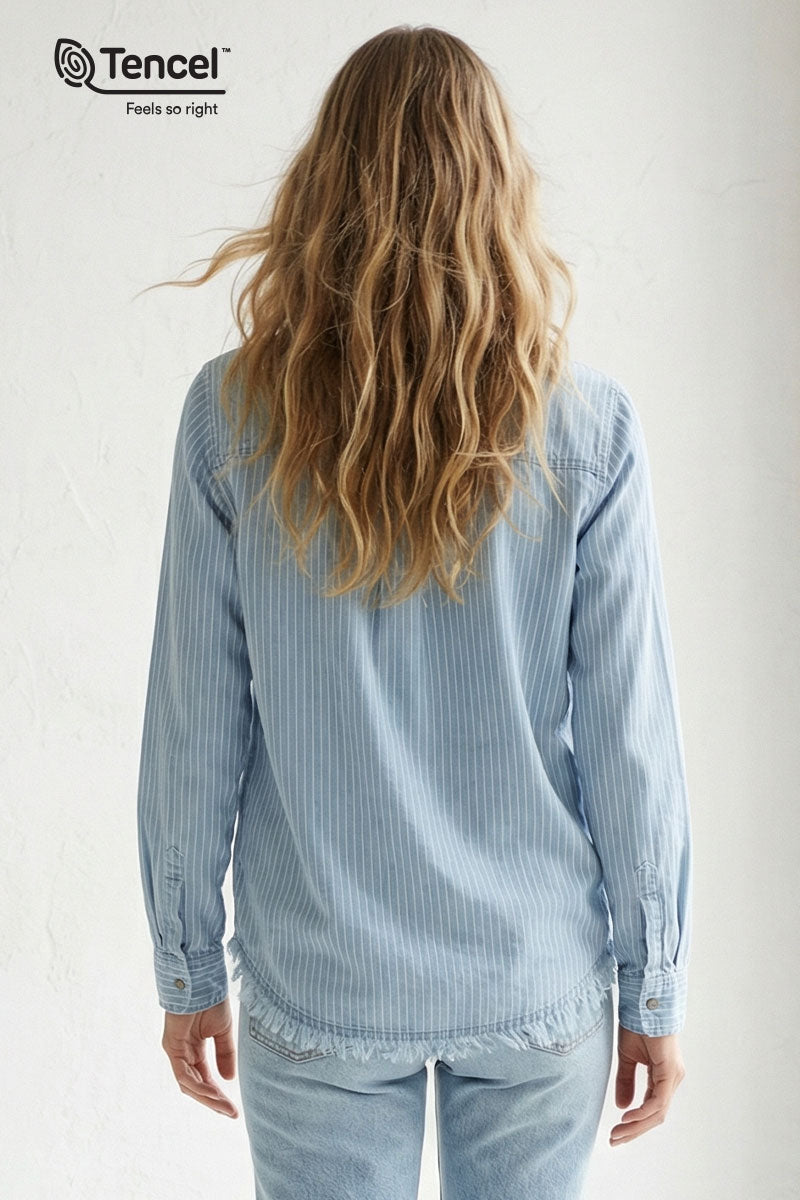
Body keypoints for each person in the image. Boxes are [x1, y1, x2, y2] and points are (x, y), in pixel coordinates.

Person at [136, 23, 692, 1199]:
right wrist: (651, 989)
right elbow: (631, 743)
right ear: (499, 189)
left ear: (322, 187)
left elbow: (193, 728)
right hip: (530, 977)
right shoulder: (587, 428)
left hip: (320, 978)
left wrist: (188, 967)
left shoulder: (230, 419)